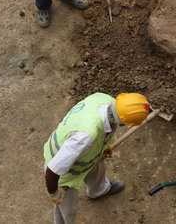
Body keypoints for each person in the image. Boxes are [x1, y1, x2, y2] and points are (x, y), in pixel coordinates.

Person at [44, 92, 151, 224]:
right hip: (63, 172)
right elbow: (52, 171)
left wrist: (101, 148)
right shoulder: (86, 136)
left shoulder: (105, 99)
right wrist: (54, 194)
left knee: (98, 168)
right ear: (124, 121)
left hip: (85, 154)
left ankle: (98, 190)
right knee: (67, 210)